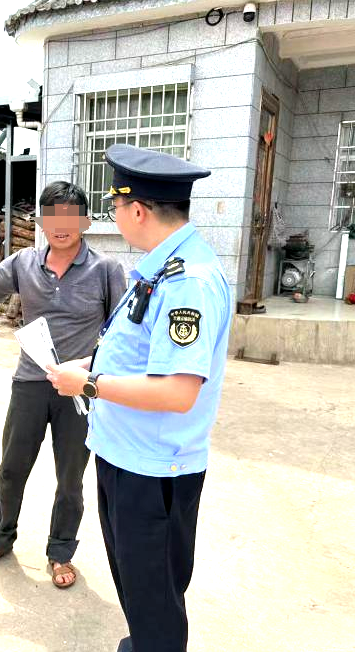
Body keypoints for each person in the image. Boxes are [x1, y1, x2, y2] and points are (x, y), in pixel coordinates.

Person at [45, 144, 232, 651]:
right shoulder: (161, 266)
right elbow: (138, 350)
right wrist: (89, 366)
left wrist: (89, 385)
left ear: (139, 211)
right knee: (139, 590)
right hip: (126, 456)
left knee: (155, 599)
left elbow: (178, 391)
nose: (115, 215)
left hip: (153, 472)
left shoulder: (188, 282)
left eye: (116, 206)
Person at [0, 182, 126, 589]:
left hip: (79, 389)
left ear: (85, 221)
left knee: (70, 478)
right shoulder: (24, 263)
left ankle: (60, 552)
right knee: (12, 468)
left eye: (70, 216)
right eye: (53, 216)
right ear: (41, 221)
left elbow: (120, 331)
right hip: (30, 383)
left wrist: (96, 373)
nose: (61, 226)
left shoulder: (106, 269)